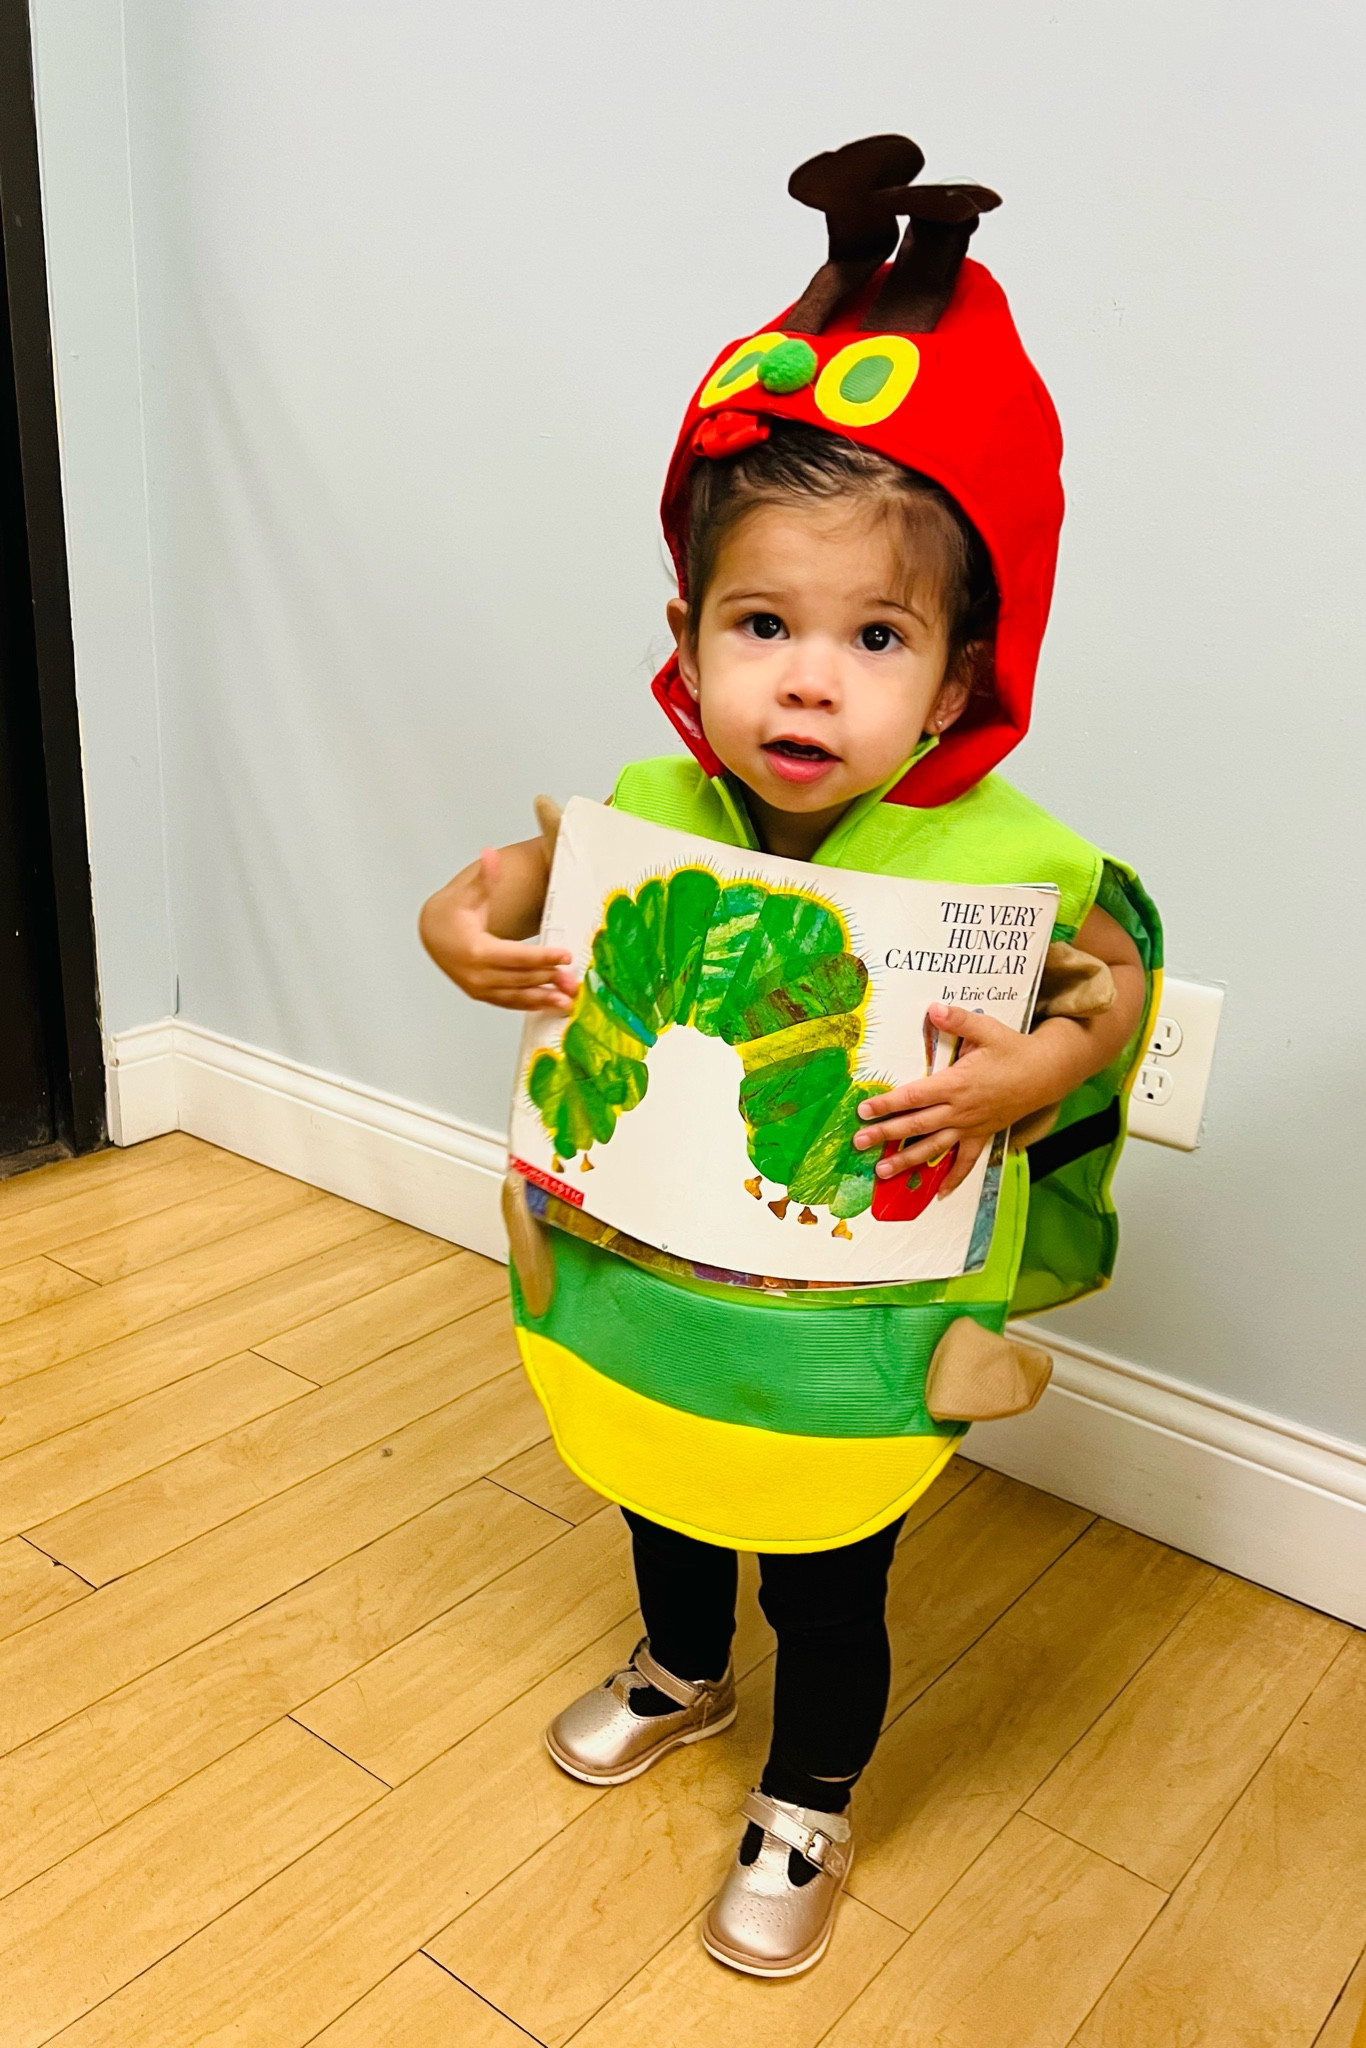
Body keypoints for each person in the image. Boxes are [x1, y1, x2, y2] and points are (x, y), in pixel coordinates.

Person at [420, 134, 1159, 1978]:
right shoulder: (658, 805)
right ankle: (680, 1662)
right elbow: (495, 884)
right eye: (765, 625)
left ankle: (810, 1789)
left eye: (873, 635)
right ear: (688, 642)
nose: (808, 681)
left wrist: (1028, 1075)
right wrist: (458, 927)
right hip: (657, 1292)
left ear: (962, 670)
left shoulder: (1005, 859)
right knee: (665, 1491)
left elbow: (1115, 985)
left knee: (832, 1569)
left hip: (852, 1336)